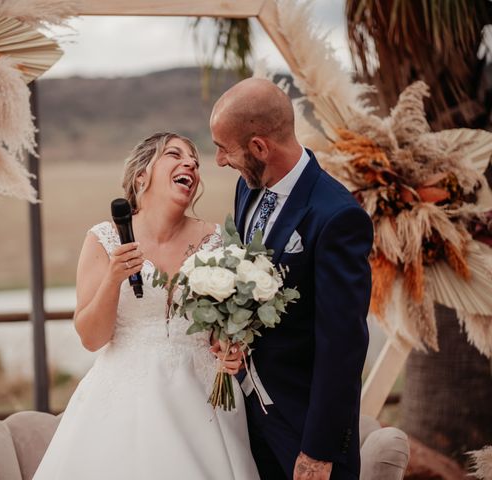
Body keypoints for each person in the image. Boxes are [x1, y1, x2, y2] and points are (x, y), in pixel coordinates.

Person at [33, 132, 260, 480]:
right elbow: (92, 338)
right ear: (142, 175)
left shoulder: (217, 241)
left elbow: (227, 327)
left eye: (195, 162)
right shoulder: (104, 239)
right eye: (174, 155)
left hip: (203, 403)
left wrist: (231, 347)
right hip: (124, 402)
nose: (190, 165)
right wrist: (113, 277)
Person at [210, 78, 373, 480]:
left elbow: (343, 344)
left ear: (260, 147)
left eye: (224, 148)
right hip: (248, 418)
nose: (218, 160)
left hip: (302, 426)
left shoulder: (336, 216)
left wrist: (318, 450)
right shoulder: (247, 189)